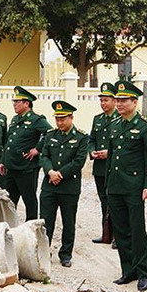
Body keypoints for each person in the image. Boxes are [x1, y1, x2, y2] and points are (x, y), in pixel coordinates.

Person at [106, 80, 147, 292]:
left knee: (137, 230)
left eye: (123, 100)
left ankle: (144, 272)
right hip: (116, 186)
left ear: (134, 102)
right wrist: (108, 185)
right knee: (121, 230)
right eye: (117, 100)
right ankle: (128, 270)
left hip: (134, 187)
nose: (118, 104)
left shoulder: (145, 127)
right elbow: (111, 158)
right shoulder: (115, 125)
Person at [39, 100, 88, 267]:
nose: (59, 123)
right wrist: (50, 172)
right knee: (46, 221)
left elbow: (79, 161)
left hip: (69, 188)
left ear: (71, 118)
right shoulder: (50, 135)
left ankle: (65, 254)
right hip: (49, 186)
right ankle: (44, 251)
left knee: (68, 222)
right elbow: (44, 156)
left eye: (63, 119)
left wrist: (60, 174)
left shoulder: (81, 137)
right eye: (57, 119)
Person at [0, 86, 52, 220]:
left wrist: (38, 149)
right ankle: (10, 227)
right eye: (14, 102)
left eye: (17, 101)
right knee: (8, 201)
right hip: (11, 167)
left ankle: (32, 228)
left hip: (26, 168)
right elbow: (9, 142)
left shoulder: (36, 120)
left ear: (26, 103)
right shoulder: (15, 119)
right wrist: (3, 161)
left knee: (29, 201)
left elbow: (50, 133)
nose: (14, 104)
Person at [88, 82, 119, 245]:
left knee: (114, 201)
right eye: (101, 100)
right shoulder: (97, 119)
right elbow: (91, 139)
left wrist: (110, 153)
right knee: (103, 200)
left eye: (106, 100)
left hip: (114, 167)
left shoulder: (119, 119)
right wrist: (92, 151)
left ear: (114, 101)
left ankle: (117, 236)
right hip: (100, 167)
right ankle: (106, 233)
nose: (103, 103)